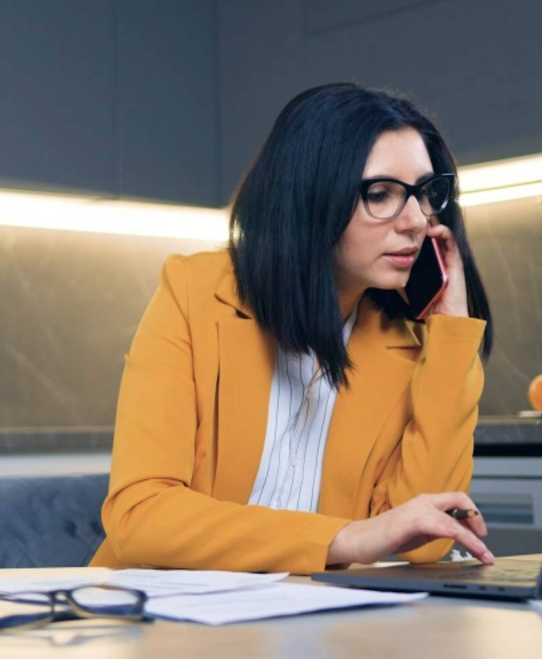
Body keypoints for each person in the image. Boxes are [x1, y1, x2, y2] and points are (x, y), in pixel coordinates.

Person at [89, 83, 496, 574]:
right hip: (155, 620)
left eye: (425, 193)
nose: (415, 220)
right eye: (380, 194)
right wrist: (344, 538)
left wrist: (450, 335)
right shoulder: (195, 293)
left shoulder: (406, 347)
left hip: (307, 627)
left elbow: (423, 542)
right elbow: (141, 515)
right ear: (309, 198)